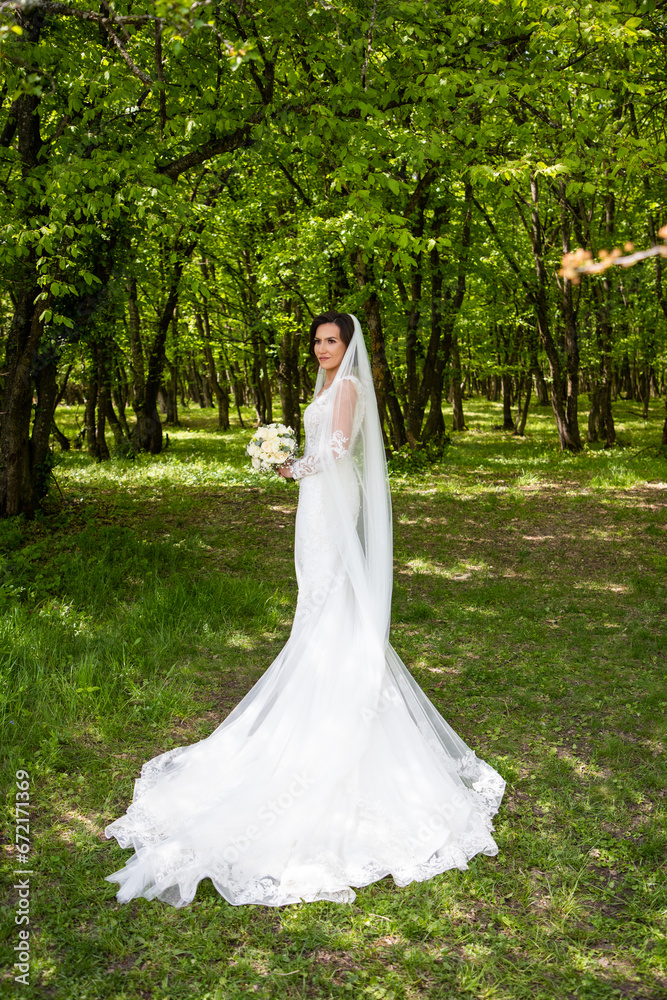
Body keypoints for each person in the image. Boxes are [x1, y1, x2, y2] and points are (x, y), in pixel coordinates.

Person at [105, 312, 505, 907]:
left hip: (328, 501)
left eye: (331, 340)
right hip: (318, 506)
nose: (322, 349)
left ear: (348, 346)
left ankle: (336, 705)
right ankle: (325, 686)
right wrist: (294, 466)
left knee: (329, 601)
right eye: (317, 341)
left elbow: (339, 447)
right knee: (317, 602)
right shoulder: (328, 384)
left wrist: (290, 465)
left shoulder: (346, 387)